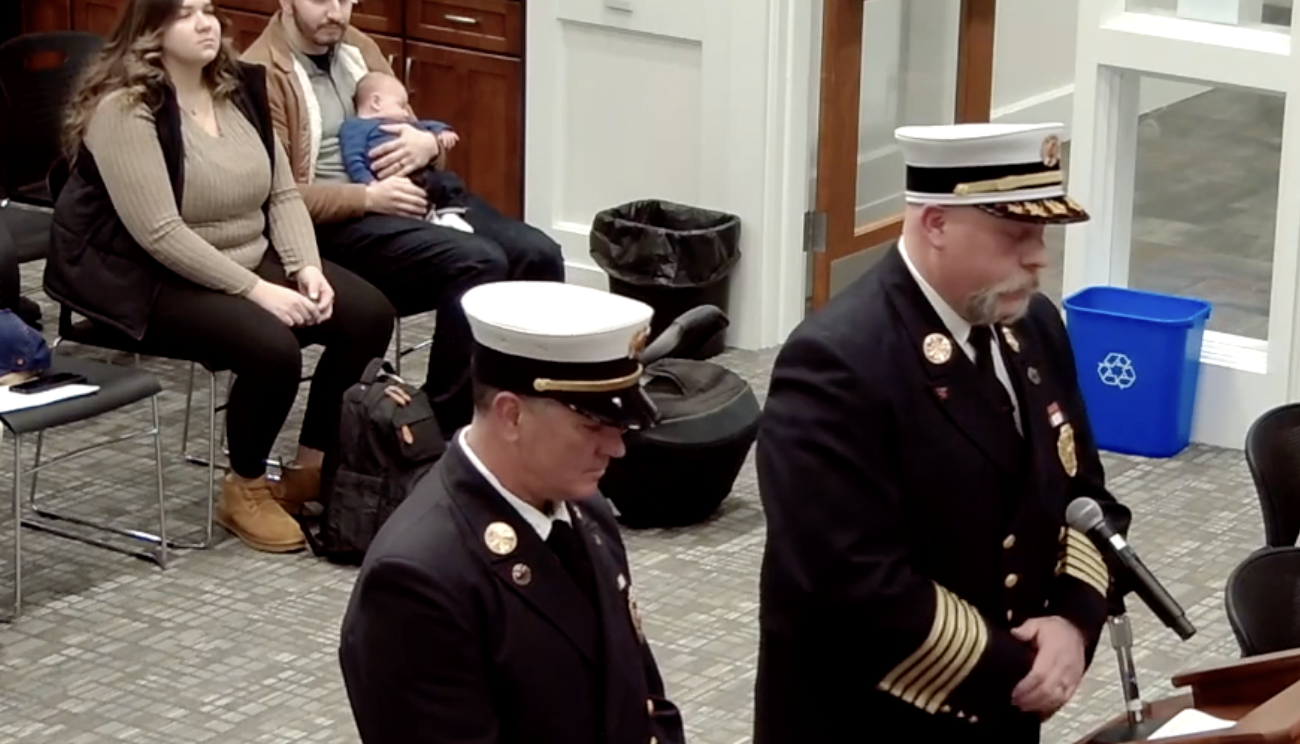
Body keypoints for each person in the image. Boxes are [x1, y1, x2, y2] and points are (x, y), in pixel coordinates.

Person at [752, 122, 1133, 743]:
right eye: (1015, 235)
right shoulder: (839, 361)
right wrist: (1021, 670)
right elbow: (845, 578)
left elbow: (1083, 497)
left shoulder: (1032, 325)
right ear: (936, 224)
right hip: (876, 717)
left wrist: (1073, 621)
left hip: (1004, 708)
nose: (1038, 256)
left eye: (1041, 234)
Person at [43, 0, 395, 553]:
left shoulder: (237, 89)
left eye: (207, 9)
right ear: (151, 29)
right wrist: (258, 291)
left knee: (368, 315)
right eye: (185, 14)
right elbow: (160, 233)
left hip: (242, 254)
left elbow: (282, 193)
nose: (206, 23)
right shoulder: (125, 109)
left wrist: (304, 265)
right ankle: (245, 486)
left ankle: (312, 466)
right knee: (272, 347)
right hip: (146, 277)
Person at [338, 281, 685, 744]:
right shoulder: (417, 580)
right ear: (511, 415)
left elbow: (641, 701)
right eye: (592, 425)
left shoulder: (584, 509)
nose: (617, 447)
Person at [241, 0, 565, 436]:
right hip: (332, 224)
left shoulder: (356, 47)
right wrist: (368, 197)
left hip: (408, 193)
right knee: (478, 261)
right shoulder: (262, 72)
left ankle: (529, 416)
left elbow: (413, 126)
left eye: (345, 0)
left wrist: (429, 146)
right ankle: (445, 430)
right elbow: (275, 195)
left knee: (537, 253)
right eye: (321, 0)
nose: (336, 12)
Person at [340, 71, 472, 233]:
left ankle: (449, 215)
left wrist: (441, 132)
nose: (406, 113)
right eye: (401, 106)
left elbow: (425, 125)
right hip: (390, 180)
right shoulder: (354, 127)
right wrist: (371, 185)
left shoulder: (402, 123)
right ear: (376, 102)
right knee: (416, 196)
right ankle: (433, 218)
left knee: (449, 181)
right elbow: (353, 160)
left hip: (420, 171)